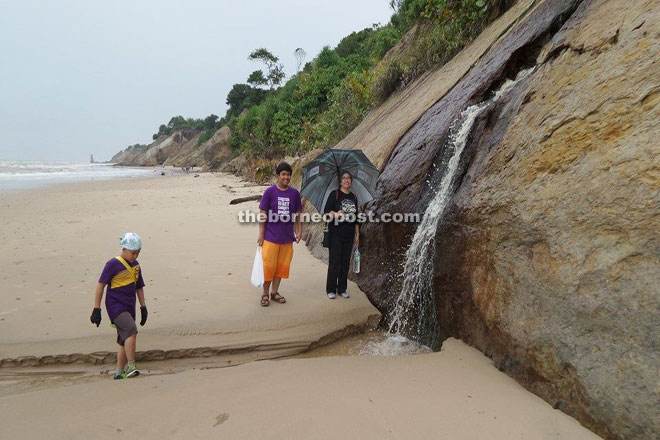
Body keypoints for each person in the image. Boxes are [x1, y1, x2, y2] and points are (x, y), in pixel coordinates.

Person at [90, 232, 148, 379]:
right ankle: (131, 366)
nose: (135, 256)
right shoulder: (112, 264)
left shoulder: (136, 265)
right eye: (133, 253)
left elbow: (139, 287)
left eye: (138, 253)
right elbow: (100, 286)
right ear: (124, 249)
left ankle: (118, 372)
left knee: (124, 339)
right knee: (131, 330)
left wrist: (143, 307)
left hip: (130, 306)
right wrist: (97, 309)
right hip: (115, 306)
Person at [257, 162, 302, 306]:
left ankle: (274, 292)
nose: (286, 177)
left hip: (287, 238)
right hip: (271, 237)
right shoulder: (269, 192)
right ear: (278, 176)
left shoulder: (294, 193)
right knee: (268, 267)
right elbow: (263, 214)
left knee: (281, 268)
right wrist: (261, 234)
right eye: (283, 174)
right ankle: (265, 294)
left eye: (288, 174)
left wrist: (300, 230)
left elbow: (299, 214)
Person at [323, 171, 360, 299]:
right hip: (336, 234)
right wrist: (336, 214)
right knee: (335, 262)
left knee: (345, 263)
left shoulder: (354, 197)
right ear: (340, 181)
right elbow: (326, 211)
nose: (346, 180)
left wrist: (357, 235)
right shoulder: (335, 194)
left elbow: (356, 218)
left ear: (351, 181)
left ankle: (342, 289)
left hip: (349, 235)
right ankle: (331, 289)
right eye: (344, 178)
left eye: (349, 178)